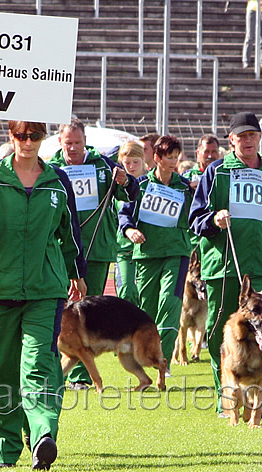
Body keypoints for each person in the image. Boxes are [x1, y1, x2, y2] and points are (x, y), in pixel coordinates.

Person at [0, 120, 87, 470]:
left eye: (34, 135)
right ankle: (5, 449)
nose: (27, 142)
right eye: (20, 135)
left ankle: (44, 434)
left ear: (43, 138)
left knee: (39, 364)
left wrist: (77, 273)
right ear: (10, 137)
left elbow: (69, 231)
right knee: (0, 371)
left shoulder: (57, 181)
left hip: (45, 289)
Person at [189, 112, 262, 416]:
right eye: (241, 136)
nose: (247, 141)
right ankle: (228, 399)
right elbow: (195, 219)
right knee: (223, 335)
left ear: (259, 138)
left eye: (252, 135)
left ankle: (256, 396)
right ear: (231, 140)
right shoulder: (217, 172)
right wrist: (214, 220)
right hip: (225, 266)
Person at [48, 118, 139, 389]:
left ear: (85, 141)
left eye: (77, 143)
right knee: (57, 308)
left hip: (96, 247)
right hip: (61, 249)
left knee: (87, 311)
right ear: (60, 143)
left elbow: (131, 193)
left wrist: (125, 181)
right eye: (68, 144)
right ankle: (53, 368)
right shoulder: (52, 167)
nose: (73, 148)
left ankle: (79, 377)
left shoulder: (102, 165)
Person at [119, 135, 193, 373]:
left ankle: (164, 360)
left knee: (169, 303)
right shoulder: (140, 185)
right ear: (157, 158)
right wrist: (130, 230)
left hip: (176, 253)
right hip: (146, 254)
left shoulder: (185, 187)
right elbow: (125, 214)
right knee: (147, 309)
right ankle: (145, 356)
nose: (173, 162)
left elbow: (200, 209)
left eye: (176, 157)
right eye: (169, 157)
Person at [113, 140, 147, 305]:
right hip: (124, 250)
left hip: (147, 249)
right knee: (126, 293)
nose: (131, 166)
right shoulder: (117, 186)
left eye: (136, 162)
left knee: (146, 296)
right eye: (127, 163)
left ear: (143, 160)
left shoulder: (151, 183)